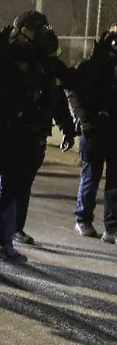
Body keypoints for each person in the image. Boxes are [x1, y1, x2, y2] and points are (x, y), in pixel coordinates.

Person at [0, 12, 76, 264]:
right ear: (23, 29)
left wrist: (67, 126)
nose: (43, 33)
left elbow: (58, 92)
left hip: (27, 134)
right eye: (38, 28)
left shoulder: (44, 59)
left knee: (12, 192)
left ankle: (1, 242)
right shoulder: (3, 52)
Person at [67, 24, 117, 242]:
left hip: (114, 130)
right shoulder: (91, 65)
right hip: (93, 129)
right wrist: (82, 119)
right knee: (91, 176)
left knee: (115, 182)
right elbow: (73, 90)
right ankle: (83, 219)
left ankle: (111, 228)